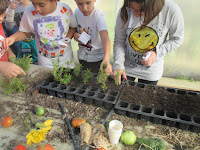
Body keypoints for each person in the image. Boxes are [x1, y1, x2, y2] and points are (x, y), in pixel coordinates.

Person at [112, 0, 184, 85]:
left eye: (140, 11)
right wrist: (118, 64)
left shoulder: (170, 10)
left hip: (151, 70)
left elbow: (176, 39)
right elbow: (119, 41)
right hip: (126, 67)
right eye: (132, 8)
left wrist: (156, 52)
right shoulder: (125, 10)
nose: (135, 14)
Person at [3, 0, 77, 69]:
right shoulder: (29, 12)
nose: (37, 9)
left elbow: (73, 27)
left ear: (54, 1)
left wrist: (67, 38)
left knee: (68, 78)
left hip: (65, 57)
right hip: (45, 59)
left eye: (41, 5)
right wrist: (13, 38)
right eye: (34, 4)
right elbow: (25, 33)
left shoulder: (65, 9)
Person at [73, 0, 112, 74]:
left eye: (88, 3)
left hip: (97, 59)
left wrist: (106, 59)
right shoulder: (76, 12)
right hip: (82, 56)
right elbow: (73, 29)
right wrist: (75, 34)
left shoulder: (99, 16)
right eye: (80, 4)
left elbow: (105, 37)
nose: (84, 8)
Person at [0, 0, 26, 77]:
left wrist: (9, 52)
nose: (1, 19)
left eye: (1, 13)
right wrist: (1, 66)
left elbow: (1, 40)